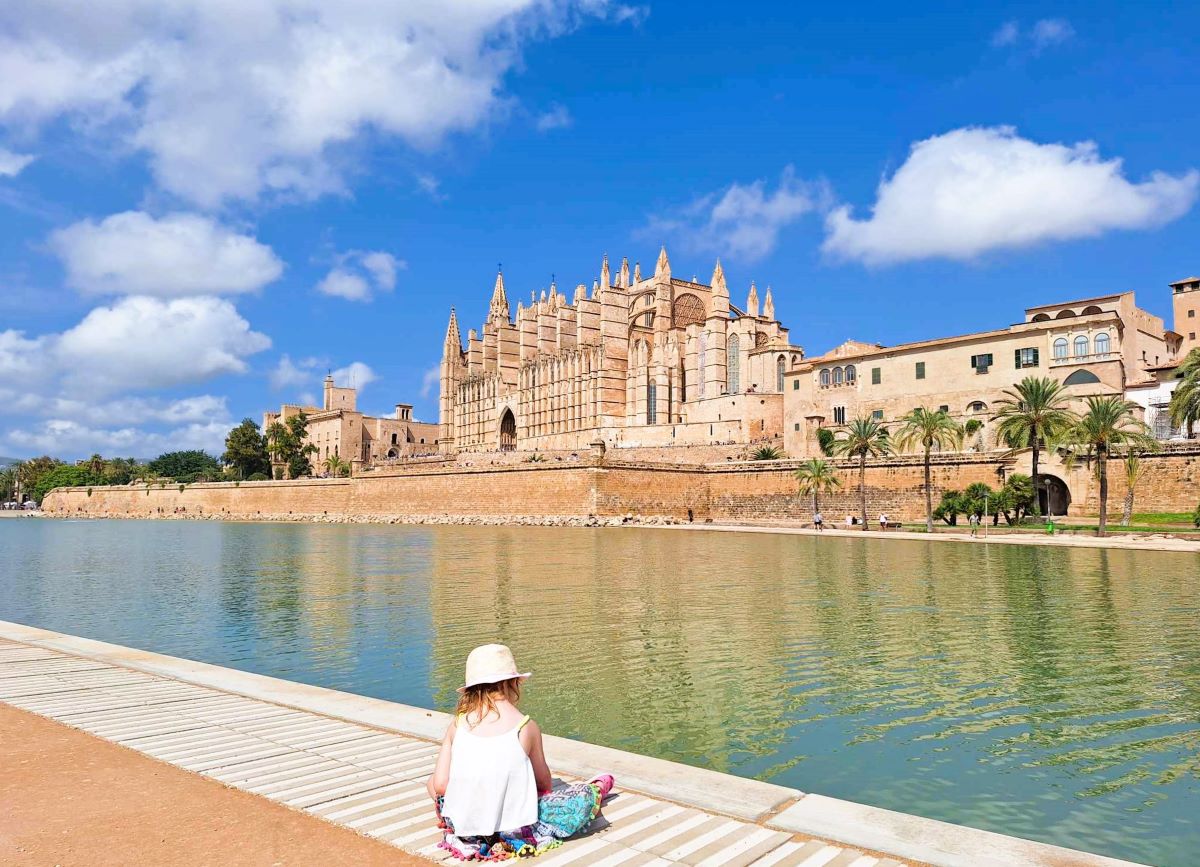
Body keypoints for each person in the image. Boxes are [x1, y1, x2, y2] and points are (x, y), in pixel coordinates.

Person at [429, 644, 615, 861]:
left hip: (464, 827)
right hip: (514, 828)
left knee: (432, 783)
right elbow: (543, 783)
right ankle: (596, 789)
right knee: (575, 800)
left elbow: (441, 785)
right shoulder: (525, 726)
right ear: (513, 683)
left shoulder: (457, 725)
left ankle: (458, 820)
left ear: (471, 689)